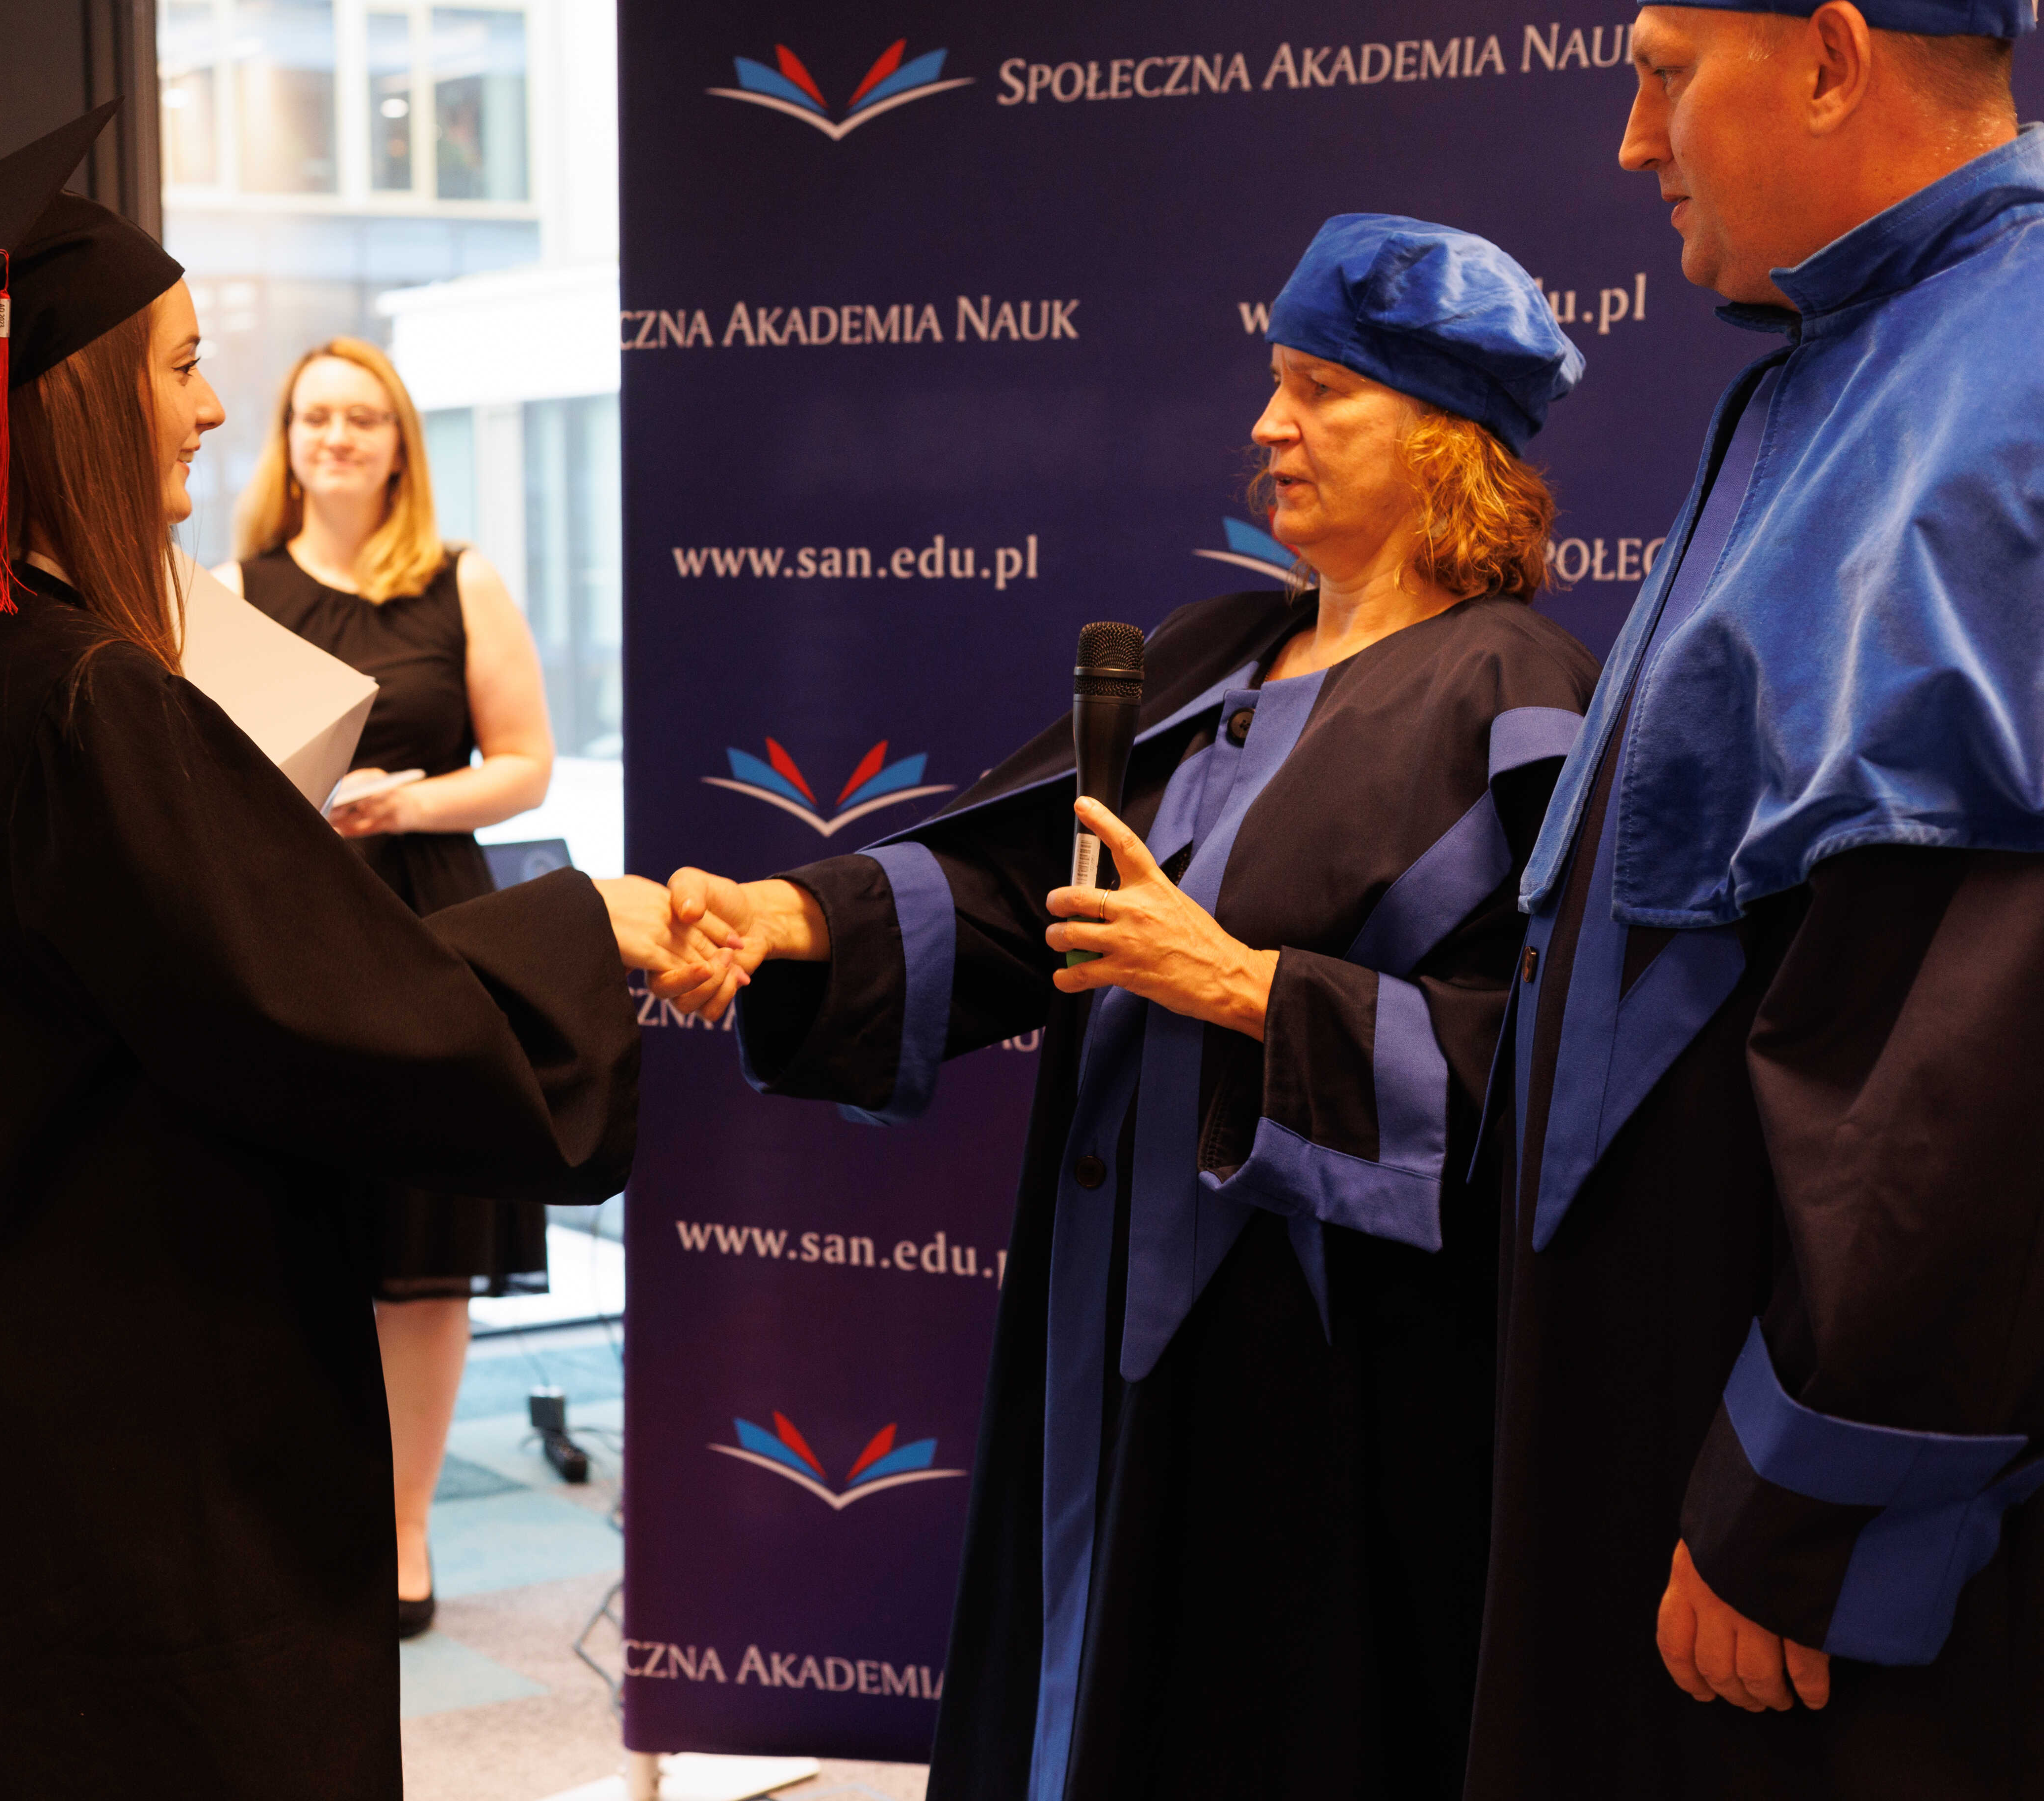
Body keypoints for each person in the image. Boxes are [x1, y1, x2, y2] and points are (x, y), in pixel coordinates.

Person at [0, 107, 729, 1794]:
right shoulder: (87, 700)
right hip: (155, 1420)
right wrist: (593, 926)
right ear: (82, 395)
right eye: (185, 365)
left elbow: (239, 964)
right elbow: (308, 1007)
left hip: (33, 1379)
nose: (215, 408)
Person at [664, 218, 1595, 1799]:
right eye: (1273, 383)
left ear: (1447, 439)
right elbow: (1025, 891)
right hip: (1099, 1309)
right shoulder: (1216, 654)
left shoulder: (1519, 697)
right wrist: (790, 918)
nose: (1268, 425)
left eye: (1321, 391)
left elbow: (1553, 1063)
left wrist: (1245, 987)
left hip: (1319, 1347)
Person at [1466, 6, 2044, 1797]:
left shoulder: (2001, 381)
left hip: (1822, 1539)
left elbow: (1976, 1017)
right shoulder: (1874, 359)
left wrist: (1810, 1495)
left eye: (1661, 70)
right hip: (1688, 1407)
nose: (1632, 141)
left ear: (1830, 58)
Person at [211, 339, 556, 1638]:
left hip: (430, 927)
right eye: (315, 418)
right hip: (289, 930)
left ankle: (405, 1528)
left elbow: (526, 764)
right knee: (293, 1235)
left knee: (425, 1250)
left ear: (401, 442)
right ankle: (300, 1528)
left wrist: (407, 802)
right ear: (287, 443)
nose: (338, 438)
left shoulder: (463, 581)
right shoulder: (233, 592)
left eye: (363, 418)